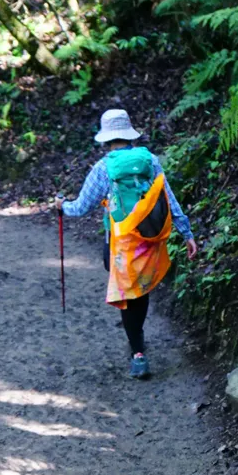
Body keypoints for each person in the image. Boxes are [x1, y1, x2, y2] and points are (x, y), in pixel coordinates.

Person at [54, 108, 197, 378]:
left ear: (106, 139)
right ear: (130, 135)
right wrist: (186, 233)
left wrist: (62, 207)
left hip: (120, 244)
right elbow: (168, 198)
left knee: (127, 296)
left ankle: (138, 352)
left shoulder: (103, 167)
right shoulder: (150, 160)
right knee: (141, 293)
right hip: (149, 239)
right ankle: (138, 340)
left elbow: (83, 206)